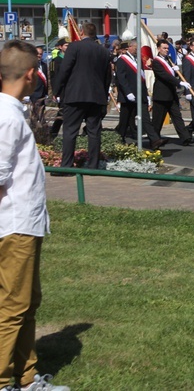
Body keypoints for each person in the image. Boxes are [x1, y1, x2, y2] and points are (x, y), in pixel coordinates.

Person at [0, 39, 70, 391]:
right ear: (30, 75)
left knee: (25, 303)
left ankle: (26, 378)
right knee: (13, 308)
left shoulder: (9, 112)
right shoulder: (7, 117)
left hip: (21, 224)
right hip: (14, 227)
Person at [54, 22, 112, 169]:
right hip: (96, 97)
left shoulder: (74, 47)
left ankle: (66, 166)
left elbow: (65, 70)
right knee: (94, 132)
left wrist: (57, 90)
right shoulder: (104, 51)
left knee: (70, 131)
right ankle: (93, 166)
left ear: (81, 32)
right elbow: (107, 77)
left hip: (75, 95)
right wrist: (103, 96)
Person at [114, 40, 166, 150]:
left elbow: (142, 79)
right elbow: (121, 79)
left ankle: (155, 140)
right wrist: (127, 93)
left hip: (140, 94)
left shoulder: (138, 60)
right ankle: (118, 138)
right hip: (128, 96)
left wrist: (146, 94)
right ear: (129, 47)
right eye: (135, 47)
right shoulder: (122, 60)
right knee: (124, 120)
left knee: (145, 118)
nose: (137, 50)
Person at [150, 39, 192, 146]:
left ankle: (185, 137)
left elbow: (172, 75)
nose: (166, 50)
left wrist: (177, 72)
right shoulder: (156, 61)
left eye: (167, 48)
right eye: (164, 48)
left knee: (177, 116)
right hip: (161, 94)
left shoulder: (168, 59)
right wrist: (179, 82)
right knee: (158, 120)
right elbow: (165, 76)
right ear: (158, 49)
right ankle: (154, 140)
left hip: (171, 93)